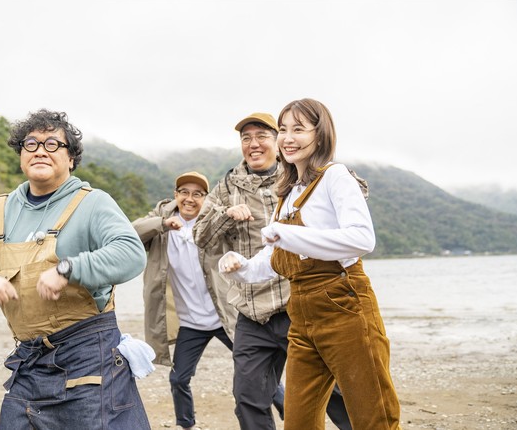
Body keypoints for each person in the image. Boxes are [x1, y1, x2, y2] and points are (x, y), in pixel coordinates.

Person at [0, 109, 151, 430]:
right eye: (31, 143)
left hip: (89, 358)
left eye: (53, 144)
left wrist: (69, 268)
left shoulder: (93, 203)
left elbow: (130, 254)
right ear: (21, 156)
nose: (41, 150)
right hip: (28, 362)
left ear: (71, 159)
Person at [219, 99, 402, 429]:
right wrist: (240, 267)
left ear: (321, 135)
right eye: (284, 130)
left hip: (344, 307)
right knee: (299, 423)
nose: (288, 138)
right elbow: (278, 260)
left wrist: (289, 236)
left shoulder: (335, 176)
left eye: (299, 130)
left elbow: (362, 239)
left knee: (373, 417)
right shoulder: (287, 193)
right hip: (301, 316)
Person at [193, 113, 351, 430]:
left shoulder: (301, 178)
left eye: (262, 136)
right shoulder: (226, 188)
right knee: (248, 398)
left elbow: (344, 218)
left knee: (332, 391)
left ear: (277, 142)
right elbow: (201, 238)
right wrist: (225, 215)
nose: (253, 144)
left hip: (298, 305)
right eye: (246, 138)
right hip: (253, 313)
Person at [132, 171, 237, 430]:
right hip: (191, 323)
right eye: (184, 192)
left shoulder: (214, 222)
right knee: (179, 379)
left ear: (206, 198)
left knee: (257, 372)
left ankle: (288, 412)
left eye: (198, 194)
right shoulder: (162, 222)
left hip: (225, 317)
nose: (190, 199)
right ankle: (186, 425)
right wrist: (163, 224)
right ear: (176, 195)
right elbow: (131, 232)